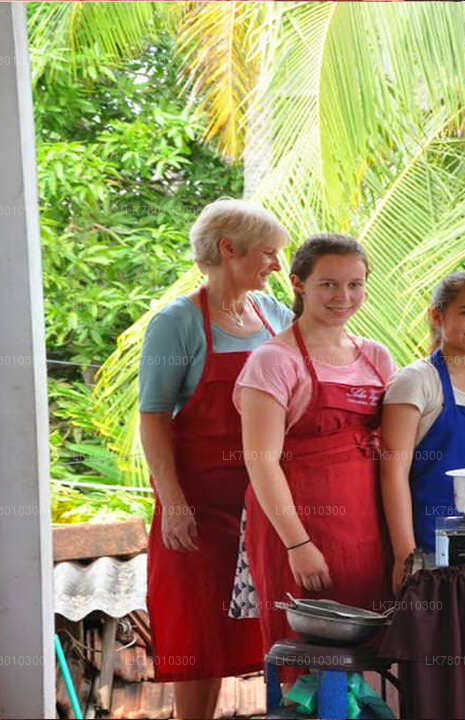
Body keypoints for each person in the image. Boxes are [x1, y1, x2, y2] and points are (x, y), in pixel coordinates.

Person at [138, 198, 292, 717]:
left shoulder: (274, 314)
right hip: (199, 509)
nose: (277, 265)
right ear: (229, 249)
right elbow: (154, 416)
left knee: (272, 633)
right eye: (269, 254)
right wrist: (174, 503)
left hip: (264, 503)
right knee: (199, 640)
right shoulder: (177, 322)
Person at [236, 234, 397, 652]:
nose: (343, 296)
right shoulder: (273, 360)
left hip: (366, 526)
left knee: (369, 652)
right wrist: (298, 544)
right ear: (298, 284)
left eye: (355, 284)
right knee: (305, 655)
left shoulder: (376, 357)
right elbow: (261, 463)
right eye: (328, 284)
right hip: (297, 527)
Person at [381, 272, 465, 585]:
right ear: (437, 315)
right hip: (431, 546)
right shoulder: (415, 380)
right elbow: (392, 473)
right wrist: (405, 555)